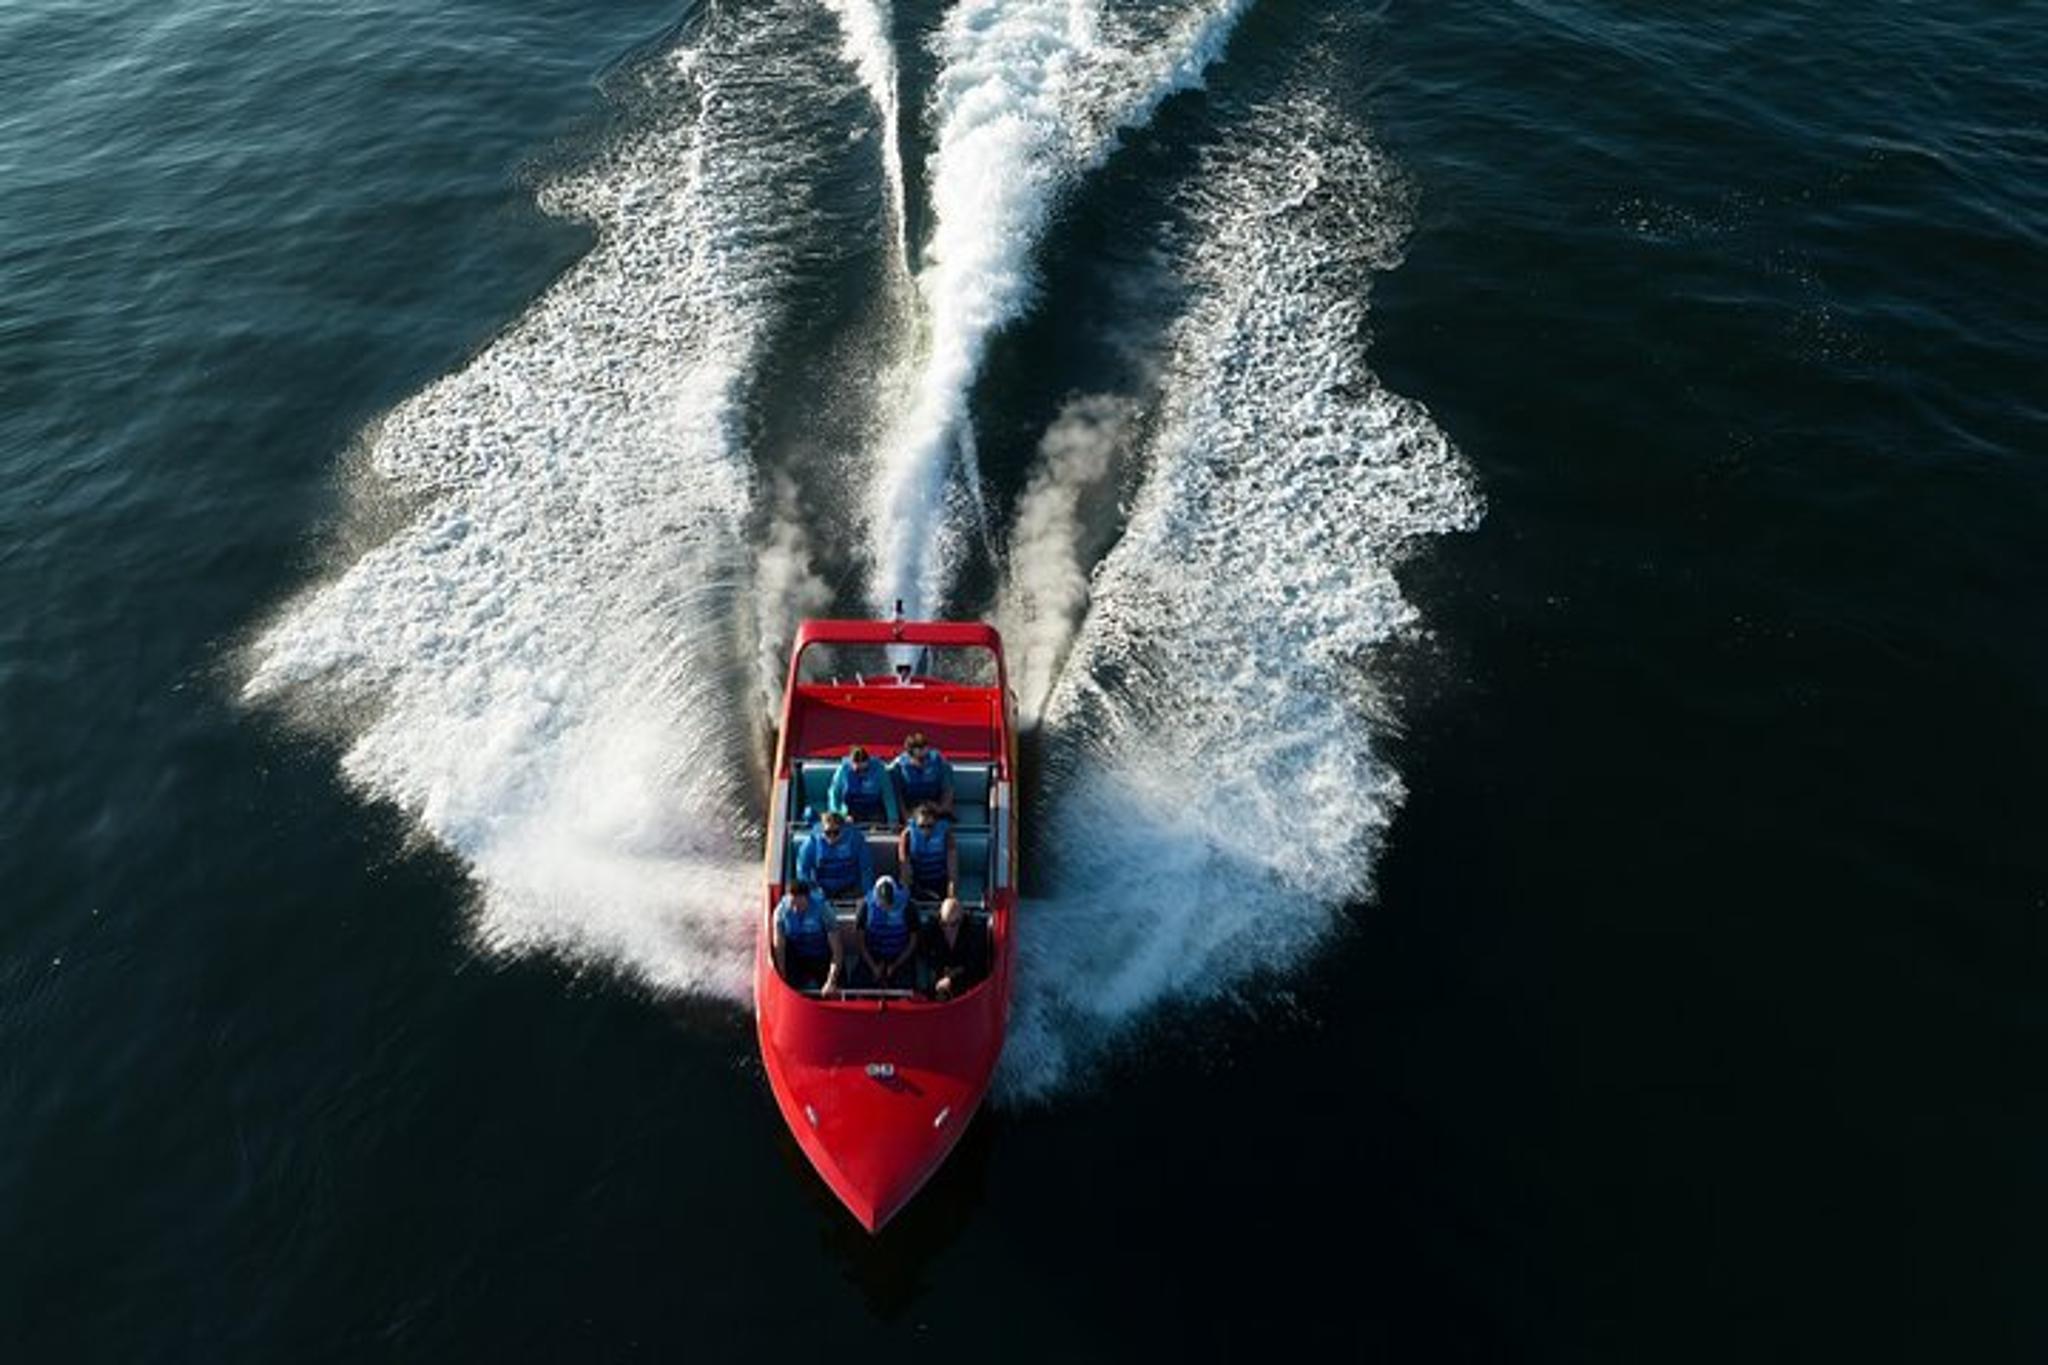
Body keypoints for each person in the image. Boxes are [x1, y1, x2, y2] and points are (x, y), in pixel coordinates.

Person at [772, 880, 842, 993]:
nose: (795, 909)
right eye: (792, 904)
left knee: (834, 987)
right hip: (797, 958)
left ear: (807, 898)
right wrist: (782, 976)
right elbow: (779, 946)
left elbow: (837, 950)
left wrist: (831, 981)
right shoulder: (781, 912)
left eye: (799, 905)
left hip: (821, 956)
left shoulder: (824, 910)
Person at [854, 876, 920, 990]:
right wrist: (873, 967)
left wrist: (894, 965)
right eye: (883, 905)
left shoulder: (909, 906)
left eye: (889, 905)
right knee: (858, 983)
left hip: (899, 955)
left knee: (906, 986)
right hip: (872, 956)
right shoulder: (864, 906)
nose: (886, 908)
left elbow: (913, 942)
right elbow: (861, 943)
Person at [795, 808, 873, 901]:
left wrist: (866, 895)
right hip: (822, 890)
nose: (831, 837)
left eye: (836, 832)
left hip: (849, 888)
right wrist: (811, 892)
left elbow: (866, 869)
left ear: (843, 829)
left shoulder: (856, 840)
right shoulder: (812, 842)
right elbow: (803, 870)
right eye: (828, 833)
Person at [920, 897, 986, 1001]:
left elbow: (977, 967)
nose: (948, 929)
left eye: (953, 924)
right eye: (944, 924)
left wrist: (952, 978)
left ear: (961, 920)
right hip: (940, 977)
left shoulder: (974, 933)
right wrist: (939, 972)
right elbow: (924, 954)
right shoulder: (932, 929)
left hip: (965, 984)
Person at [896, 801, 956, 903]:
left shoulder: (947, 835)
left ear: (936, 823)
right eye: (921, 826)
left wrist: (951, 897)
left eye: (930, 826)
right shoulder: (907, 836)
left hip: (939, 882)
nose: (926, 831)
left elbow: (952, 872)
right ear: (915, 824)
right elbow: (905, 872)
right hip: (917, 883)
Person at [889, 731, 953, 819]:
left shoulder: (939, 761)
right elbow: (897, 795)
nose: (924, 763)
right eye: (920, 760)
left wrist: (942, 809)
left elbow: (947, 788)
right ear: (909, 755)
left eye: (926, 758)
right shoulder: (899, 766)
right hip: (911, 806)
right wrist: (905, 815)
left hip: (934, 805)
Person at [828, 744, 891, 823]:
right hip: (851, 808)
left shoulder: (879, 770)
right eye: (858, 770)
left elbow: (889, 795)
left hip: (873, 807)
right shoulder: (843, 770)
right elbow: (834, 793)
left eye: (864, 770)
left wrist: (893, 819)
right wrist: (836, 815)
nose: (861, 773)